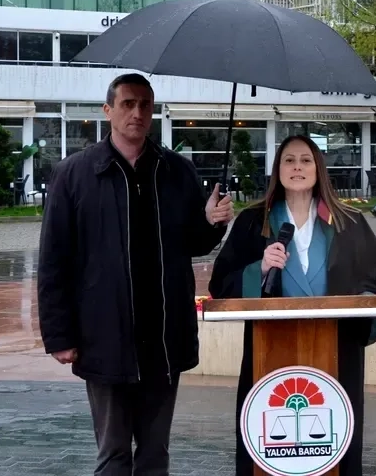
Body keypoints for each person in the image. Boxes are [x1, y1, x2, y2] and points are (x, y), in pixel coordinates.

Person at [37, 72, 234, 476]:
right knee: (113, 455)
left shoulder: (177, 171)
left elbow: (193, 244)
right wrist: (59, 335)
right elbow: (54, 259)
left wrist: (212, 221)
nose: (138, 112)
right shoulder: (75, 174)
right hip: (104, 335)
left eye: (145, 104)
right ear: (107, 110)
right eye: (128, 103)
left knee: (155, 455)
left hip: (163, 336)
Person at [208, 135, 376, 476]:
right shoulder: (254, 222)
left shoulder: (348, 222)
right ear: (277, 169)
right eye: (289, 160)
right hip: (269, 352)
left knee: (332, 447)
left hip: (336, 353)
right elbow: (220, 286)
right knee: (270, 446)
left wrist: (352, 299)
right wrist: (260, 269)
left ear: (318, 168)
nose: (297, 167)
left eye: (305, 160)